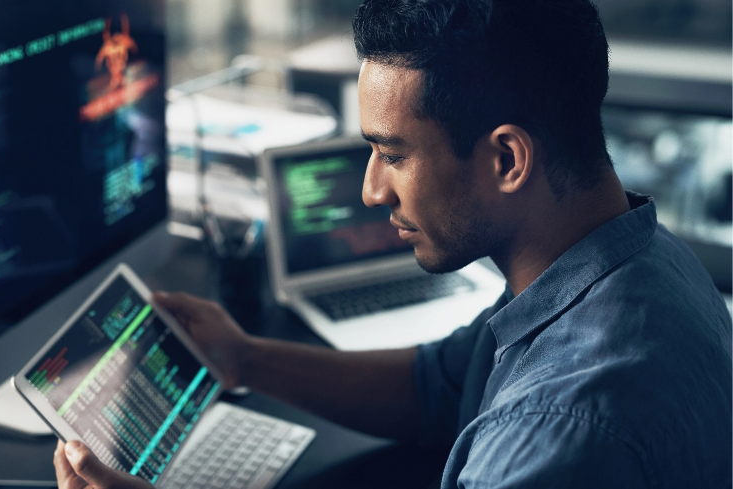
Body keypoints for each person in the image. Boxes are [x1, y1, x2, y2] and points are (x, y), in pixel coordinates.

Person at [54, 0, 733, 487]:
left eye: (392, 153)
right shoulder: (636, 258)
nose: (373, 190)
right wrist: (243, 357)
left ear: (506, 160)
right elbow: (437, 388)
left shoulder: (560, 433)